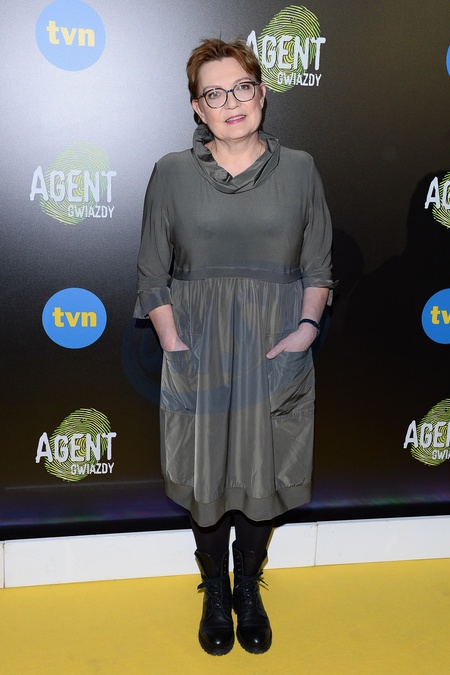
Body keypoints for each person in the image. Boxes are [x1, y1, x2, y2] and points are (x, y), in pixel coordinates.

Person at [134, 38, 335, 656]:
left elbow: (319, 265)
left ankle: (248, 585)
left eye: (241, 87)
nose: (231, 103)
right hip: (198, 351)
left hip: (274, 349)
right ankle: (215, 592)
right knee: (206, 478)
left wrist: (306, 329)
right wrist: (174, 342)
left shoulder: (300, 169)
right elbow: (152, 272)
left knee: (262, 473)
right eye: (213, 94)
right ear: (197, 108)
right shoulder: (171, 172)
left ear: (262, 93)